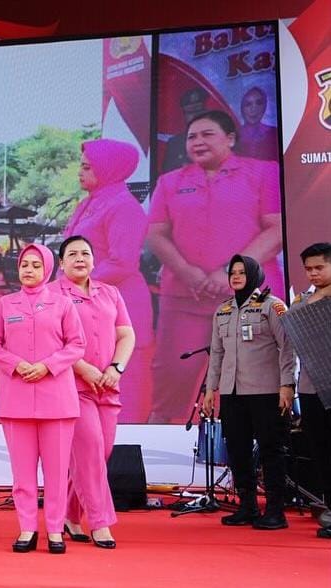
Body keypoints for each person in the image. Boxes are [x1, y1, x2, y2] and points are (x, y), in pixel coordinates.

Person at [147, 110, 283, 422]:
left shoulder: (263, 173)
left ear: (230, 139)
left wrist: (232, 272)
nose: (198, 141)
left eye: (207, 134)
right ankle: (165, 448)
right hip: (184, 298)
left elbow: (275, 229)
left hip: (248, 298)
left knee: (254, 379)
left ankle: (256, 456)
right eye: (192, 136)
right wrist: (186, 271)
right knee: (173, 375)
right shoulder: (170, 182)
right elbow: (156, 234)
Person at [0, 244, 85, 554]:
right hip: (16, 399)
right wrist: (15, 364)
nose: (28, 270)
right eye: (24, 264)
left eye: (35, 265)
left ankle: (55, 530)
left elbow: (76, 345)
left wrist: (47, 366)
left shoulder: (63, 304)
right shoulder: (5, 305)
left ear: (48, 270)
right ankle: (27, 528)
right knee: (23, 474)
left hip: (57, 400)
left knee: (56, 473)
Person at [49, 236, 136, 549]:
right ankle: (101, 522)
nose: (79, 258)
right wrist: (85, 370)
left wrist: (116, 369)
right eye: (72, 254)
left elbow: (126, 334)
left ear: (94, 260)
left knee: (101, 453)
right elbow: (53, 342)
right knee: (91, 449)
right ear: (61, 263)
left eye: (85, 253)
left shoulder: (109, 292)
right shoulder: (52, 294)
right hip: (72, 388)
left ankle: (70, 514)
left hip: (108, 386)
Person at [203, 254, 295, 529]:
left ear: (254, 274)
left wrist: (287, 385)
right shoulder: (223, 310)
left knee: (271, 450)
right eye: (233, 272)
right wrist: (211, 390)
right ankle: (247, 506)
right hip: (232, 393)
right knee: (237, 450)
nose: (236, 276)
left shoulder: (273, 306)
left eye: (242, 272)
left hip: (267, 391)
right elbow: (216, 354)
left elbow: (287, 348)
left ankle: (276, 511)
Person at [64, 138, 152, 422]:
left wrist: (73, 285)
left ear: (108, 169)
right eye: (81, 166)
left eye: (87, 167)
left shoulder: (123, 206)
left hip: (122, 304)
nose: (80, 172)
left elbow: (122, 262)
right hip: (90, 305)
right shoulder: (91, 202)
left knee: (124, 384)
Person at [286, 242, 331, 538]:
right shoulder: (301, 302)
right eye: (308, 269)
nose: (313, 274)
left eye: (319, 268)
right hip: (311, 388)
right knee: (322, 453)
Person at [161, 87, 209, 173]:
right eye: (190, 112)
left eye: (198, 111)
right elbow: (167, 176)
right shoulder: (174, 143)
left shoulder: (219, 139)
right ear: (184, 115)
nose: (195, 116)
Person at [235, 87, 279, 161]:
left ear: (264, 106)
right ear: (241, 108)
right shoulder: (232, 135)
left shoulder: (275, 133)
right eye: (248, 104)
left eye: (259, 103)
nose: (254, 109)